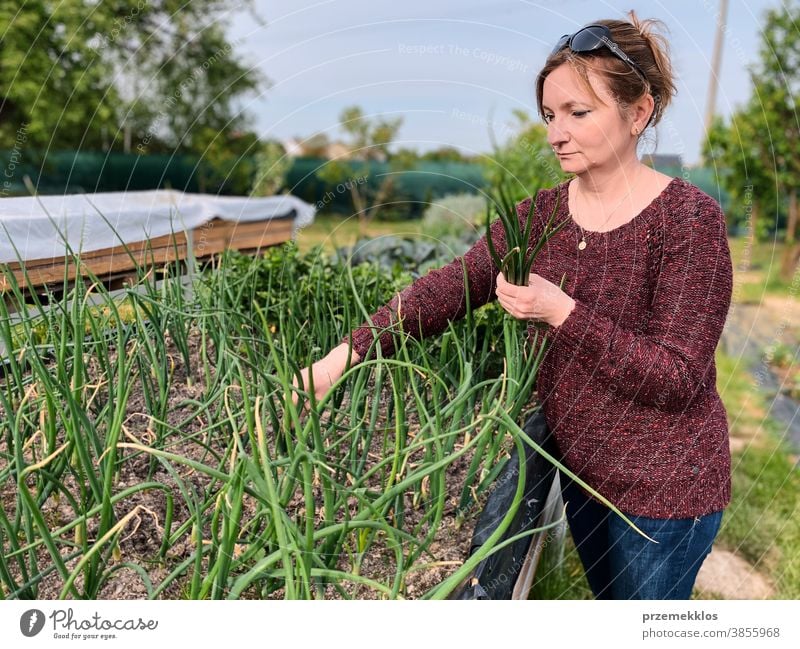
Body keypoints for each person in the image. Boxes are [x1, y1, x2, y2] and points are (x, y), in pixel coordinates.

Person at [294, 11, 733, 600]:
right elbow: (447, 289)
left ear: (638, 112)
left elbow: (678, 377)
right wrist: (344, 357)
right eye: (550, 115)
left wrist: (563, 314)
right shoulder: (540, 217)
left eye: (579, 112)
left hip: (665, 493)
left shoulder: (687, 220)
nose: (557, 132)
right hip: (583, 475)